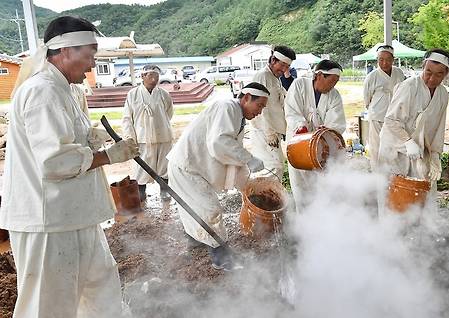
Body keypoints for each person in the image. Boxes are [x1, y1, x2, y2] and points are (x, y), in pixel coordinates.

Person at [0, 16, 139, 317]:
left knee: (102, 293)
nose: (92, 65)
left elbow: (66, 139)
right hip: (48, 221)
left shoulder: (66, 89)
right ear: (64, 50)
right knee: (48, 306)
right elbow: (54, 161)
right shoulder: (42, 91)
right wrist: (110, 156)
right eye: (89, 55)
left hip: (77, 215)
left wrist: (91, 137)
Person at [167, 82, 269, 270]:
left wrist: (247, 187)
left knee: (197, 208)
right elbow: (219, 142)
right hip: (187, 168)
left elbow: (230, 155)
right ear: (246, 98)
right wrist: (249, 158)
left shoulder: (238, 117)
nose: (260, 112)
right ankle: (221, 259)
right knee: (210, 210)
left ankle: (195, 243)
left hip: (193, 169)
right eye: (260, 105)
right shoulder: (227, 107)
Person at [378, 48, 449, 193]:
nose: (431, 79)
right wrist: (407, 142)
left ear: (447, 73)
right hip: (395, 149)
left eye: (438, 75)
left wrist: (435, 154)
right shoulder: (409, 87)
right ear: (423, 66)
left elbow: (439, 127)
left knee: (422, 192)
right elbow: (391, 120)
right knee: (394, 194)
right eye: (428, 72)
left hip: (419, 150)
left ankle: (423, 216)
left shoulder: (442, 94)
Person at [284, 60, 346, 213]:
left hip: (321, 146)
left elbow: (336, 121)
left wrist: (328, 130)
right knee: (299, 185)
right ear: (319, 76)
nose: (333, 86)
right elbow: (291, 110)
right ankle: (303, 223)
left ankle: (321, 220)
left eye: (336, 82)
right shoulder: (299, 85)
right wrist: (301, 126)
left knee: (321, 185)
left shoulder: (334, 95)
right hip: (298, 141)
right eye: (332, 81)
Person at [121, 64, 174, 200]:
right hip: (142, 138)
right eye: (151, 75)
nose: (155, 79)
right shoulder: (133, 94)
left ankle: (164, 190)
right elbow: (127, 118)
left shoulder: (164, 94)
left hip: (163, 135)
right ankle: (141, 191)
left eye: (157, 76)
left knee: (164, 165)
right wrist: (130, 138)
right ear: (142, 76)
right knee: (141, 166)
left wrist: (159, 124)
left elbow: (169, 113)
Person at [249, 46, 296, 180]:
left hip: (274, 132)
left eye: (287, 66)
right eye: (282, 65)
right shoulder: (262, 76)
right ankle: (262, 199)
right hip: (264, 132)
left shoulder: (274, 77)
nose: (284, 70)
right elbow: (259, 107)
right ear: (273, 60)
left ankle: (271, 198)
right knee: (272, 169)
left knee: (276, 168)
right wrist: (269, 133)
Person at [363, 45, 406, 170]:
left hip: (396, 116)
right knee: (377, 146)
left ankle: (393, 174)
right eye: (381, 59)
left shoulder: (399, 72)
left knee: (393, 146)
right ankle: (378, 174)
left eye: (388, 59)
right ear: (377, 60)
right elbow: (367, 99)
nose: (384, 63)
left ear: (393, 60)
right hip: (378, 116)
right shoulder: (372, 77)